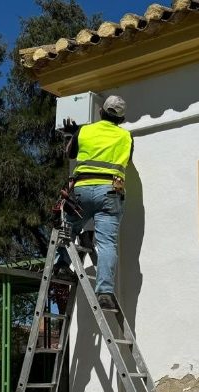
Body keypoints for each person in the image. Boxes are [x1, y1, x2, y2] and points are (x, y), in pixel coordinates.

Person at [56, 94, 133, 311]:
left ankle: (62, 263)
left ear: (101, 112)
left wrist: (71, 134)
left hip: (81, 189)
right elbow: (127, 159)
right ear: (121, 118)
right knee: (107, 243)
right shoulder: (126, 137)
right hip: (110, 191)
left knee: (69, 227)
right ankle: (105, 292)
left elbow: (69, 153)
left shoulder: (85, 130)